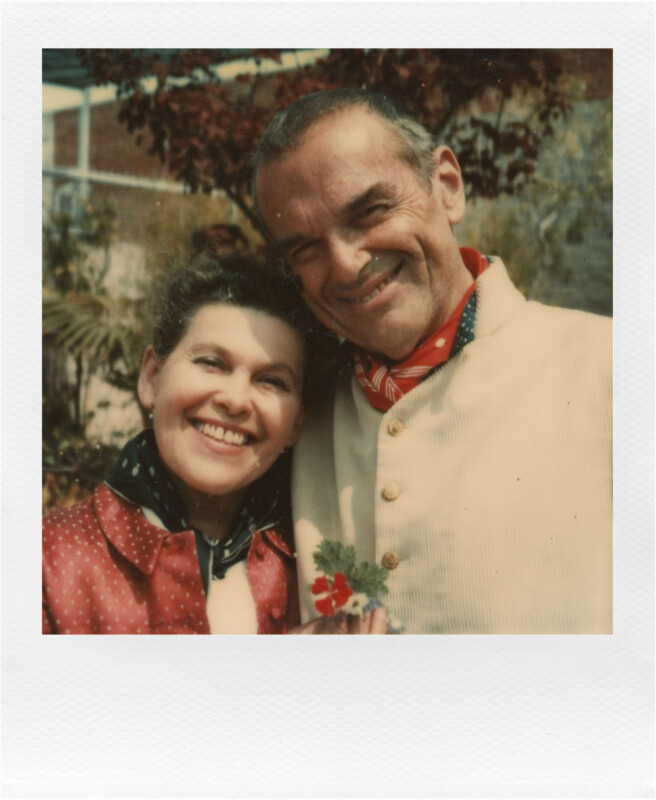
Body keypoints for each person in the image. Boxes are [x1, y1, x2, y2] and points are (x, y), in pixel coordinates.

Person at [253, 88, 612, 634]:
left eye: (370, 211)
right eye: (305, 249)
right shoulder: (295, 414)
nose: (347, 265)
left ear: (446, 186)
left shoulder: (611, 368)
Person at [42, 254, 387, 634]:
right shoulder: (47, 560)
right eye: (211, 362)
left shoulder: (323, 565)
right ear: (151, 377)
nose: (235, 399)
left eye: (271, 381)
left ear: (297, 422)